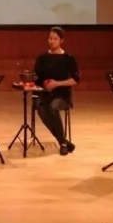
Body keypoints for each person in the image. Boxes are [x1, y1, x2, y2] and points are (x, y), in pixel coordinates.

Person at [32, 26, 79, 156]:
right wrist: (38, 81)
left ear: (61, 40)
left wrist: (56, 84)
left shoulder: (68, 57)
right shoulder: (42, 57)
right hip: (45, 93)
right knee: (41, 109)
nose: (51, 41)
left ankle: (62, 143)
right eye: (50, 38)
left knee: (53, 107)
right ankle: (63, 141)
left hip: (62, 95)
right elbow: (36, 77)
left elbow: (75, 79)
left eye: (55, 39)